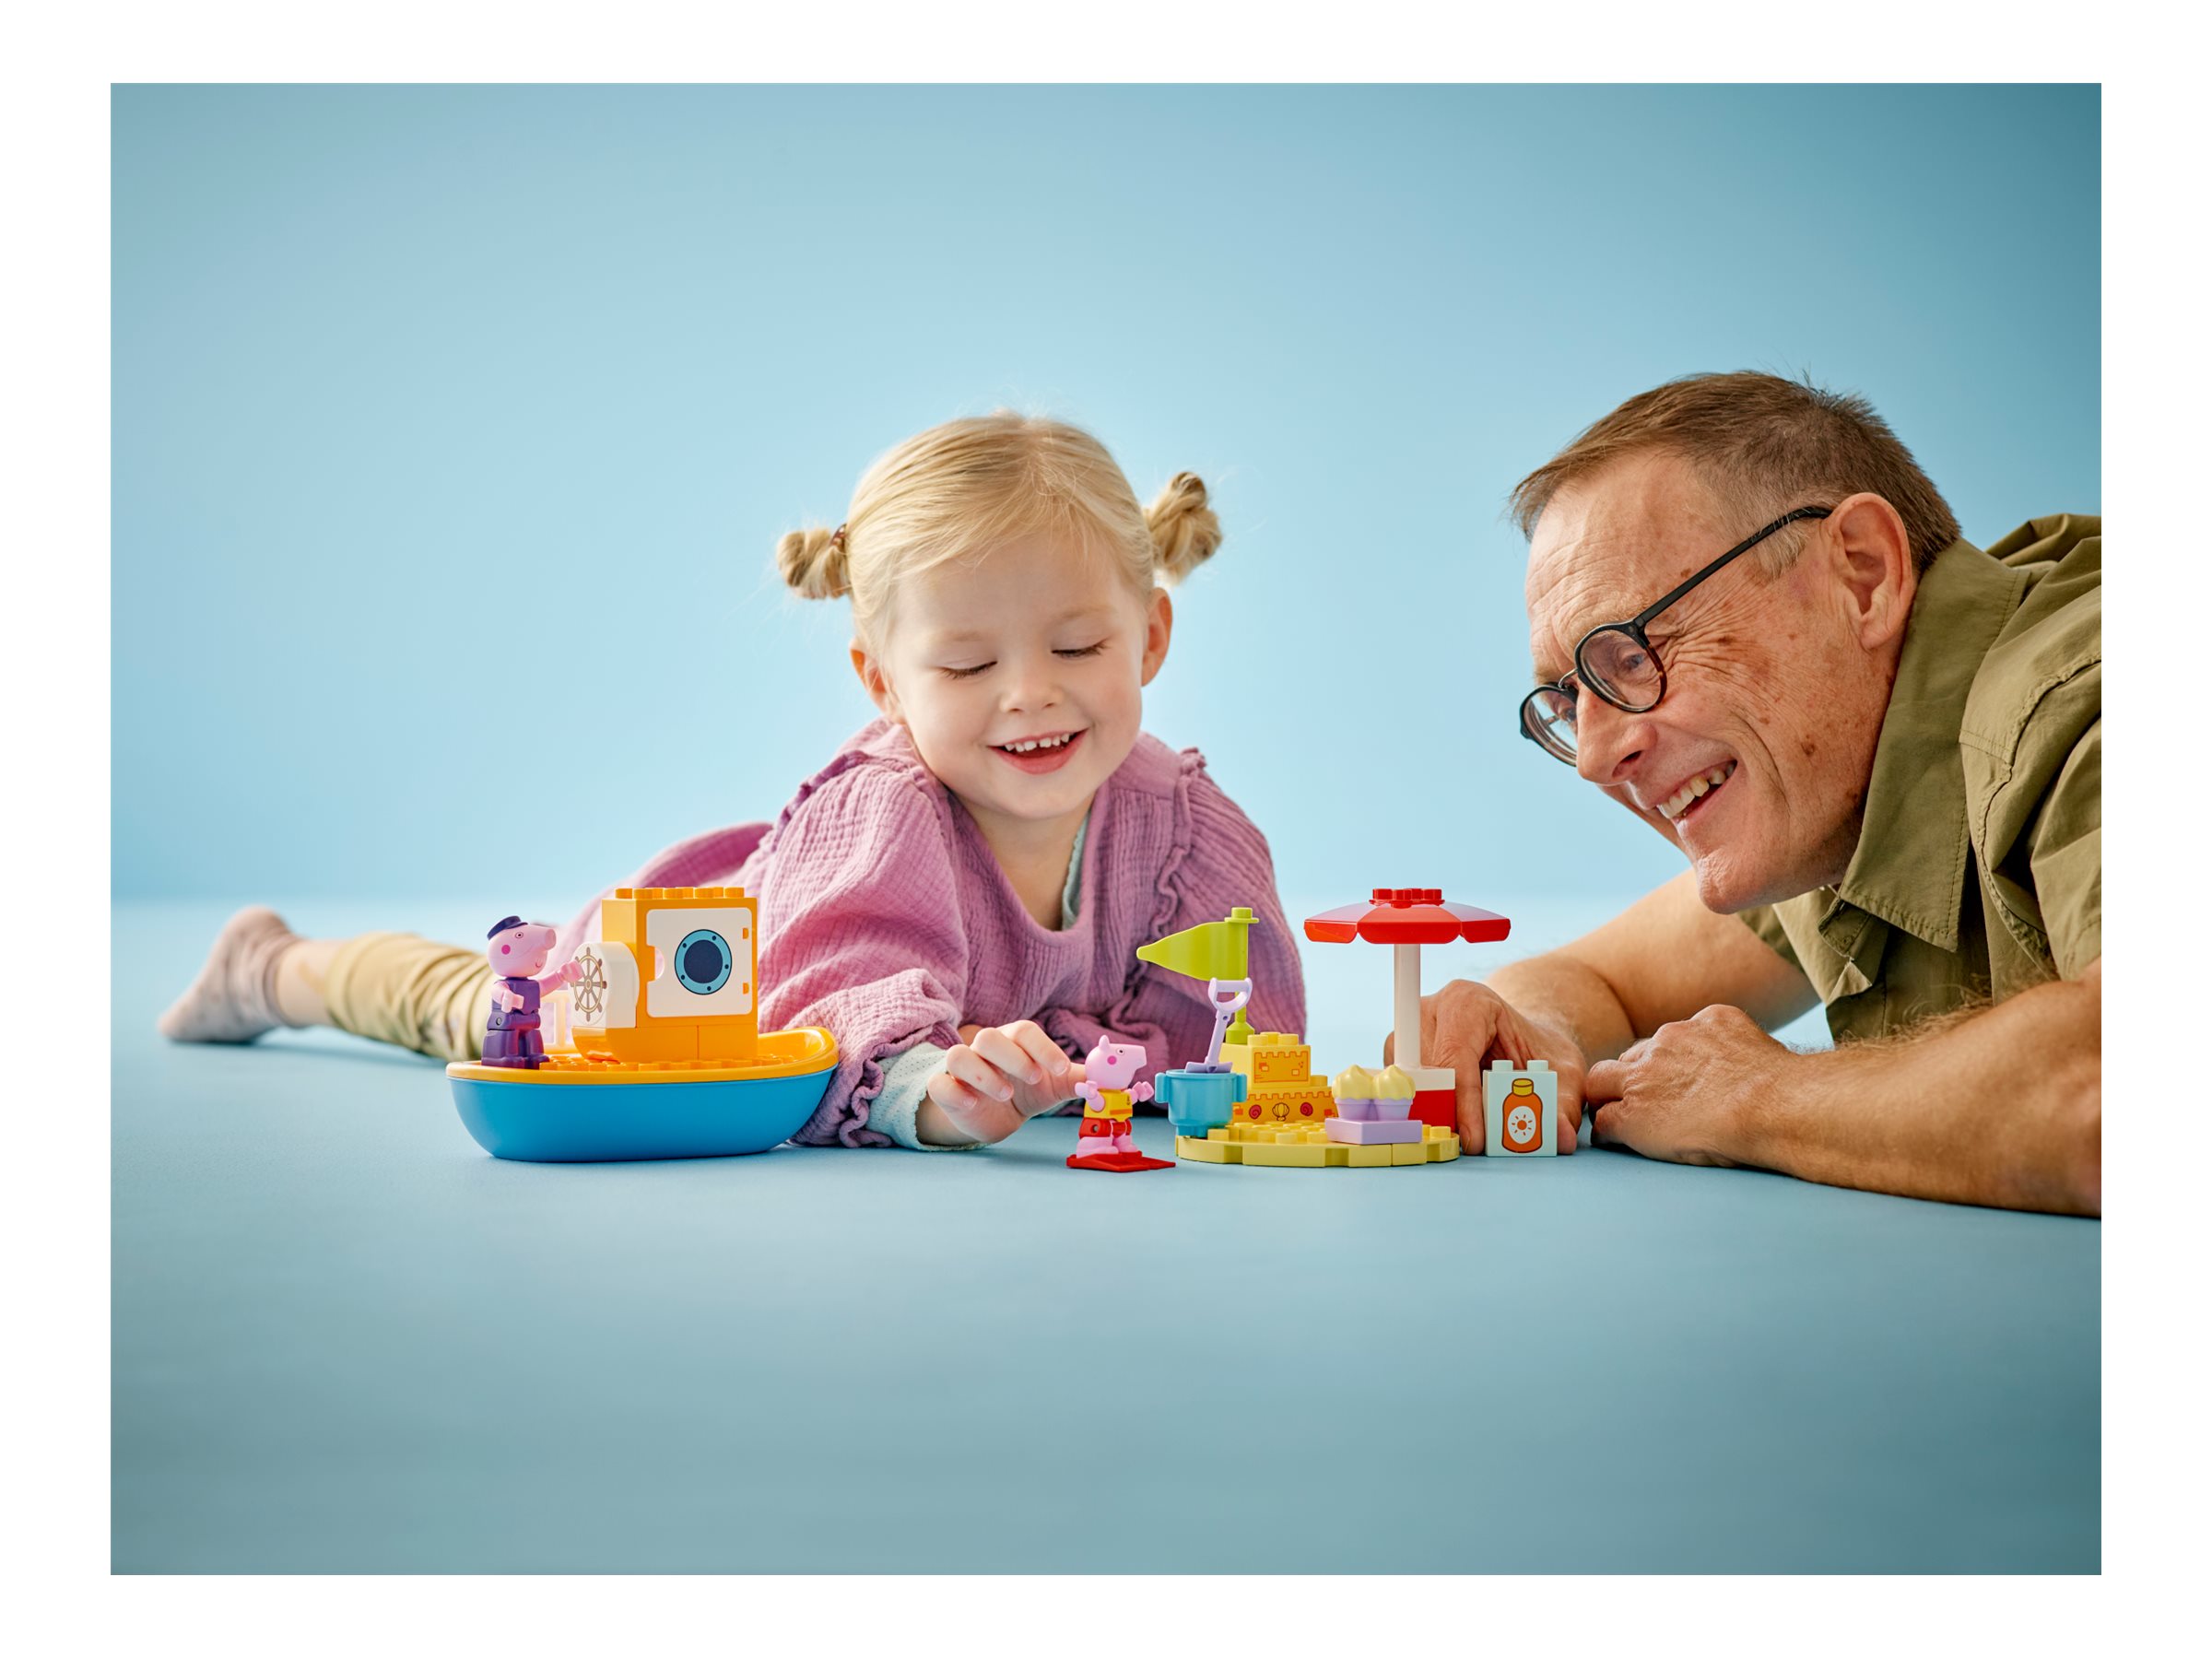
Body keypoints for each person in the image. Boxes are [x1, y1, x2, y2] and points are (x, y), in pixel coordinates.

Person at [159, 413, 1306, 1150]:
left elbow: (1230, 1032)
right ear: (883, 682)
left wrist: (1103, 1069)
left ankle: (281, 965)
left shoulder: (1185, 829)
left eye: (1077, 649)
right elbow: (828, 1015)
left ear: (1150, 637)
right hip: (662, 998)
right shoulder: (891, 814)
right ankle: (278, 969)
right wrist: (926, 1089)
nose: (1030, 696)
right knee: (479, 1006)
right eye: (966, 664)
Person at [1405, 372, 2099, 1214]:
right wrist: (1533, 1038)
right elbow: (1597, 980)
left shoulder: (2090, 699)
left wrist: (1761, 1099)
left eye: (1632, 654)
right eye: (1566, 698)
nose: (1592, 759)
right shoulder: (1832, 787)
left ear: (1864, 575)